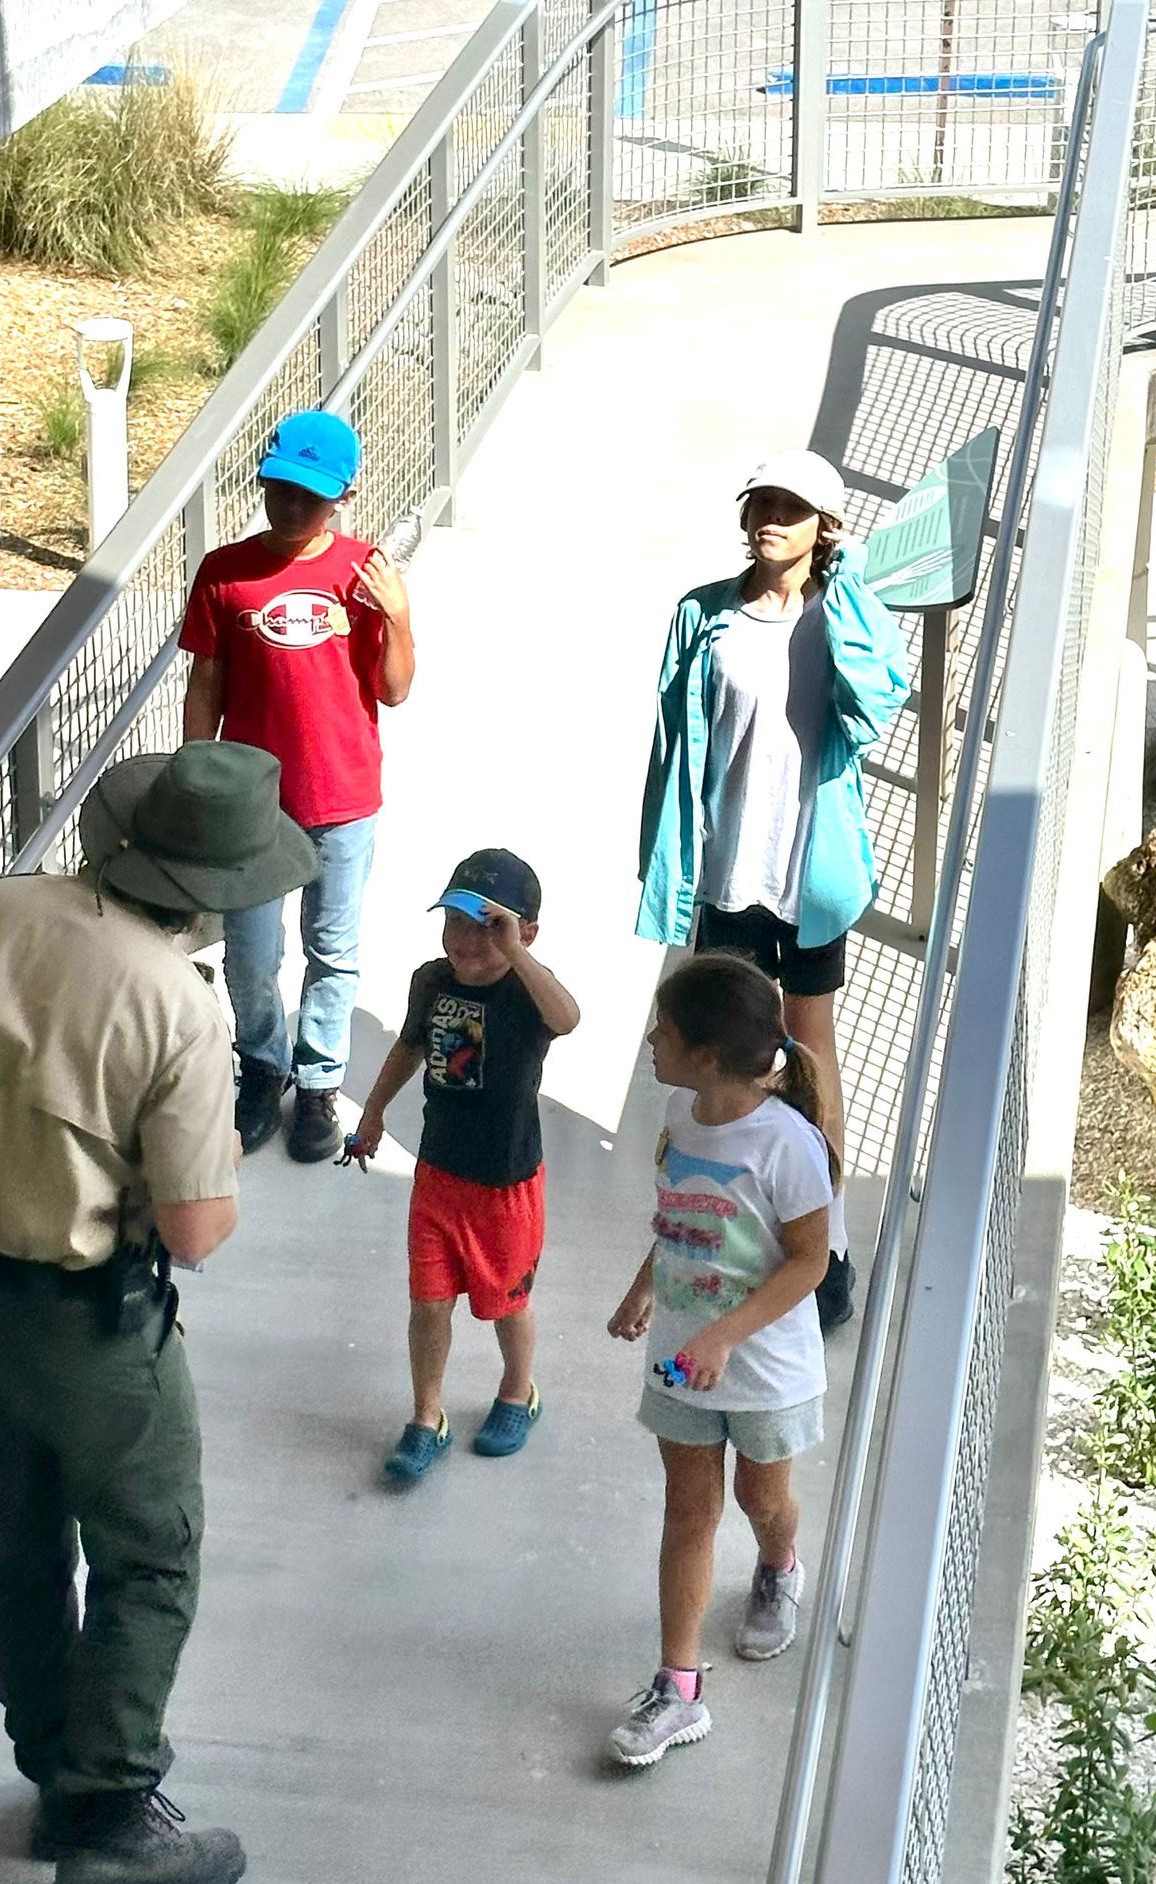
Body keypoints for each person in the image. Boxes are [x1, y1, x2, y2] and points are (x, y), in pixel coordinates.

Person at [0, 742, 316, 1884]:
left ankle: (55, 1780)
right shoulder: (176, 1001)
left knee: (15, 1550)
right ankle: (112, 1813)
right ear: (221, 887)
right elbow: (200, 1227)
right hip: (92, 1321)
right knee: (148, 1550)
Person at [634, 447, 909, 1331]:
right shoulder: (703, 615)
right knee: (733, 1046)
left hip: (809, 866)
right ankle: (738, 1220)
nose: (770, 519)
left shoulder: (844, 616)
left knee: (810, 1040)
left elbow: (878, 704)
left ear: (825, 525)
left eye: (792, 508)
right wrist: (665, 854)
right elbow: (674, 743)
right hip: (728, 867)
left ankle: (818, 1244)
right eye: (761, 503)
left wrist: (852, 583)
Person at [604, 952, 835, 1767]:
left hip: (765, 1370)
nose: (650, 1041)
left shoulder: (787, 1144)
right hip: (679, 1359)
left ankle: (779, 1562)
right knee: (689, 1509)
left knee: (760, 1494)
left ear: (707, 1053)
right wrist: (646, 1286)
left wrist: (726, 1334)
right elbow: (682, 1216)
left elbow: (810, 1262)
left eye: (663, 1031)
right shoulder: (680, 1107)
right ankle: (678, 1687)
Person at [180, 409, 417, 1166]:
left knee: (332, 948)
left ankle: (318, 1080)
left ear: (342, 496)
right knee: (250, 952)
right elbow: (206, 679)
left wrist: (399, 618)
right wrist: (196, 773)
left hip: (342, 796)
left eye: (308, 498)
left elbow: (394, 688)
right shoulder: (225, 571)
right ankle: (263, 1065)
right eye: (279, 489)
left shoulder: (361, 573)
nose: (289, 508)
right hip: (252, 801)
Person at [344, 849, 581, 1488]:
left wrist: (520, 956)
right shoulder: (432, 980)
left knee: (509, 1302)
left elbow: (569, 1018)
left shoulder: (528, 993)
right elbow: (408, 1046)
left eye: (488, 926)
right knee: (428, 1302)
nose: (467, 940)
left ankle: (516, 1391)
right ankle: (427, 1417)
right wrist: (372, 1114)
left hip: (505, 1183)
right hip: (438, 1176)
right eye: (455, 921)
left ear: (523, 931)